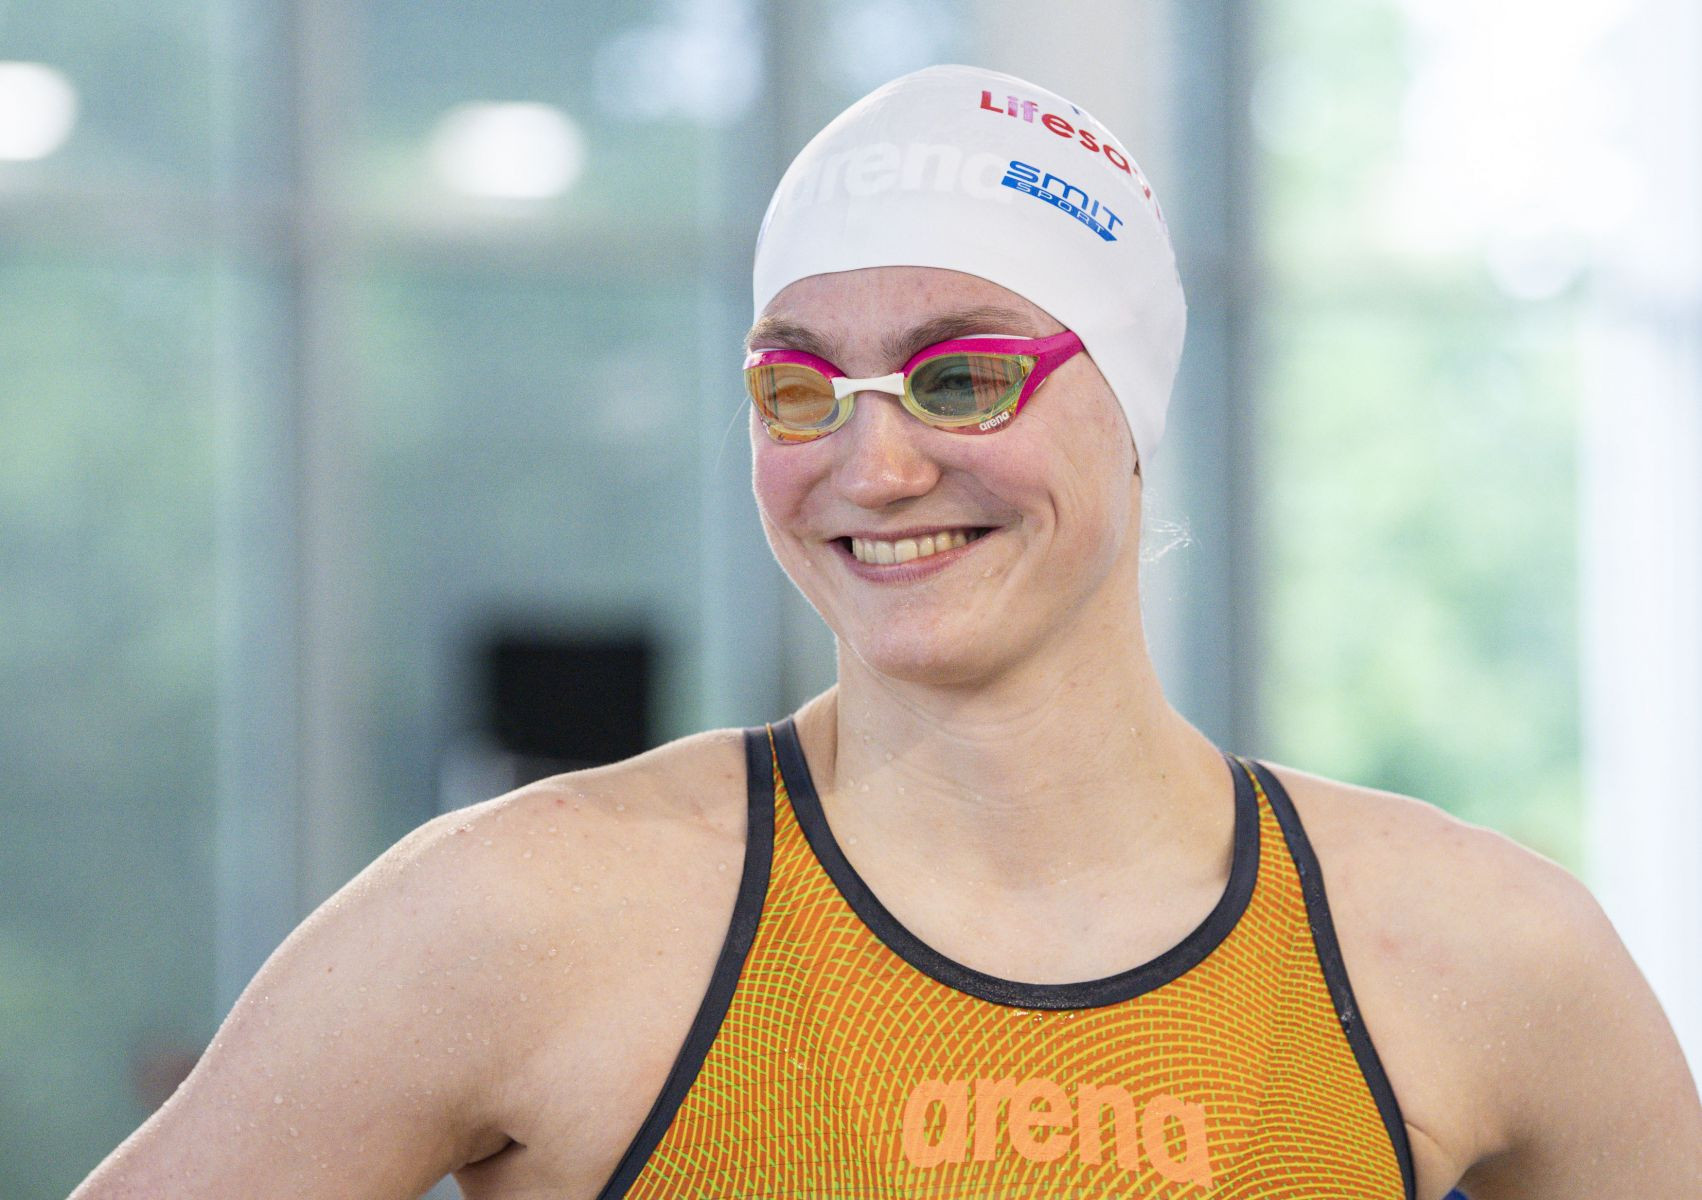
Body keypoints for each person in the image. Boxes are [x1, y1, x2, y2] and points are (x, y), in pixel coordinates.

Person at [73, 64, 1699, 1200]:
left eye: (960, 376)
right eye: (799, 387)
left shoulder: (1484, 956)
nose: (875, 466)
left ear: (1130, 408)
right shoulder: (519, 918)